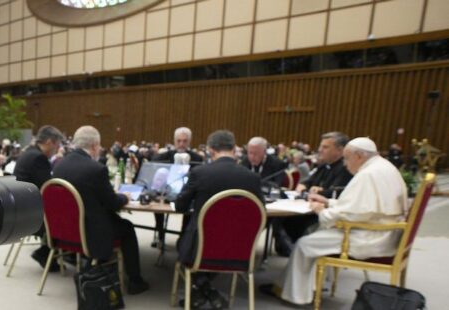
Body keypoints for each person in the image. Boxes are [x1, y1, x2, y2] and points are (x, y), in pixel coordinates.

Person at [263, 137, 408, 305]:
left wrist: (322, 211)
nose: (345, 164)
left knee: (305, 244)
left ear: (359, 156)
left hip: (369, 236)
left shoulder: (368, 174)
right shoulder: (383, 167)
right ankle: (303, 287)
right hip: (381, 230)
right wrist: (328, 202)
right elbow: (360, 207)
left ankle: (295, 295)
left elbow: (353, 214)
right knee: (313, 232)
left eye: (347, 158)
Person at [53, 126, 149, 295]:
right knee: (126, 227)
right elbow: (112, 203)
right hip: (91, 232)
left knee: (115, 221)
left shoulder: (59, 166)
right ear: (95, 145)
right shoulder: (96, 169)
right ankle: (135, 281)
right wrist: (125, 197)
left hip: (65, 230)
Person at [173, 130, 264, 309]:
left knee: (181, 243)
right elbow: (261, 212)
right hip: (240, 250)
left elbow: (180, 207)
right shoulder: (252, 178)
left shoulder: (200, 173)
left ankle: (203, 290)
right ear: (234, 149)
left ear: (210, 150)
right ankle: (208, 291)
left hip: (202, 249)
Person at [276, 132, 354, 256]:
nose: (320, 150)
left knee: (289, 220)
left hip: (325, 213)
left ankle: (295, 251)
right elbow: (309, 182)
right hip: (309, 207)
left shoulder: (346, 168)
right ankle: (288, 248)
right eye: (320, 146)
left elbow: (336, 192)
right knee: (278, 218)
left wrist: (320, 191)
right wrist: (304, 185)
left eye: (325, 147)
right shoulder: (324, 166)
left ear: (340, 150)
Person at [13, 125, 64, 271]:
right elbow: (48, 189)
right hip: (31, 217)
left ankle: (54, 253)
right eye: (57, 145)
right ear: (49, 142)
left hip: (20, 210)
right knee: (68, 216)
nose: (57, 150)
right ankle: (45, 253)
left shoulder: (29, 152)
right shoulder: (39, 158)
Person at [151, 127, 204, 248]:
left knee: (190, 209)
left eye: (185, 141)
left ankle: (183, 238)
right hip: (166, 193)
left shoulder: (197, 159)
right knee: (157, 205)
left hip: (187, 195)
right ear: (174, 141)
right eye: (179, 141)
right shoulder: (163, 157)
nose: (181, 144)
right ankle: (160, 235)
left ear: (189, 142)